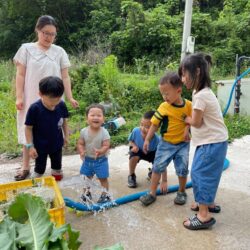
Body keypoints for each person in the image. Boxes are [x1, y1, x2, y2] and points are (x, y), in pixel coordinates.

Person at [14, 15, 78, 181]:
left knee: (52, 129)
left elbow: (65, 77)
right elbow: (20, 74)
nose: (49, 37)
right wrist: (19, 97)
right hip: (31, 96)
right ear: (37, 30)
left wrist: (69, 97)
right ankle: (26, 165)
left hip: (54, 98)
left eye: (52, 34)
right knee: (28, 127)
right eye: (45, 33)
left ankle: (55, 166)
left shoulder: (59, 51)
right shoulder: (26, 49)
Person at [179, 53, 228, 230]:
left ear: (197, 72)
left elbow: (197, 122)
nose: (182, 79)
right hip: (214, 142)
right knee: (209, 174)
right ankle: (207, 203)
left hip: (211, 143)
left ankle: (203, 215)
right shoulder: (201, 92)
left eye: (184, 74)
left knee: (200, 174)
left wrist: (186, 119)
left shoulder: (200, 96)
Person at [139, 72, 192, 206]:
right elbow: (154, 125)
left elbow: (190, 121)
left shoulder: (189, 106)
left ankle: (181, 192)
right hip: (166, 143)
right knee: (157, 167)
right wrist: (147, 140)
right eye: (162, 93)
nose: (164, 97)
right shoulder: (164, 106)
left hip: (183, 144)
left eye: (167, 93)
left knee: (182, 169)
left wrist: (187, 130)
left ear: (179, 90)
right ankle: (152, 193)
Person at [25, 76, 69, 180]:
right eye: (51, 100)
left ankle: (57, 184)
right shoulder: (35, 108)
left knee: (57, 167)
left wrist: (66, 136)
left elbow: (64, 121)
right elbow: (28, 128)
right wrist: (30, 146)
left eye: (58, 99)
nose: (55, 103)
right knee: (40, 168)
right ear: (40, 94)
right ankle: (36, 185)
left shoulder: (61, 105)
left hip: (57, 143)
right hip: (40, 145)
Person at [77, 104, 111, 204]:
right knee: (86, 178)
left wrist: (100, 151)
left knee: (103, 178)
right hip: (87, 160)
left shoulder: (104, 132)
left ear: (103, 119)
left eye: (99, 115)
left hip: (101, 161)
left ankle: (105, 195)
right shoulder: (83, 131)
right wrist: (81, 150)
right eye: (92, 115)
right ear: (87, 118)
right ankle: (86, 194)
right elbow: (80, 143)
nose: (96, 117)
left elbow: (106, 145)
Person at [127, 110, 159, 188]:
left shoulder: (157, 139)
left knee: (158, 161)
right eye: (141, 124)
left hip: (151, 153)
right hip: (139, 150)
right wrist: (134, 146)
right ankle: (131, 175)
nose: (143, 128)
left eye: (147, 127)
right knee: (133, 155)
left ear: (156, 128)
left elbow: (160, 154)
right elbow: (131, 141)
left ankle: (152, 172)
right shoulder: (136, 131)